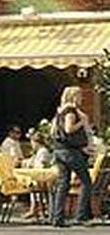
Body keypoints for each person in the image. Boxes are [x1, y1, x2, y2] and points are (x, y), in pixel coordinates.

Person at [49, 86, 94, 227]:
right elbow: (69, 129)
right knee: (86, 181)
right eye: (80, 96)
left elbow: (52, 132)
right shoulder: (71, 112)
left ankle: (57, 217)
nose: (82, 98)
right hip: (70, 152)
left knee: (63, 184)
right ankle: (80, 215)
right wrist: (82, 122)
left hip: (59, 150)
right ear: (73, 97)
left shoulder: (59, 112)